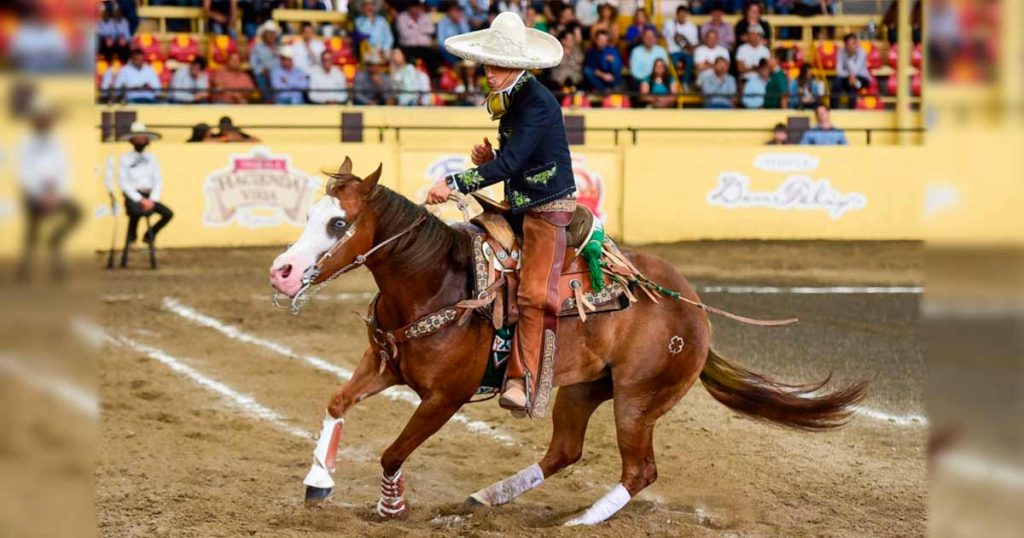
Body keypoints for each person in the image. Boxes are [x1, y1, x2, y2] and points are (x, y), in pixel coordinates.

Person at [428, 13, 574, 418]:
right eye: (488, 64)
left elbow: (511, 164)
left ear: (518, 67)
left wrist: (456, 181)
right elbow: (515, 159)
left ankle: (521, 379)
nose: (489, 73)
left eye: (498, 65)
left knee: (533, 294)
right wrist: (491, 160)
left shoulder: (537, 104)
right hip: (523, 201)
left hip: (548, 206)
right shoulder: (515, 99)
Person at [16, 98, 80, 281]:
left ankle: (55, 241)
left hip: (56, 193)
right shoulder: (25, 143)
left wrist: (56, 195)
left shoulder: (57, 143)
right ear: (34, 120)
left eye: (46, 118)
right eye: (40, 118)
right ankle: (25, 266)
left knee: (76, 213)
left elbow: (65, 170)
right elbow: (24, 172)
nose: (44, 121)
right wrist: (40, 194)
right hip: (34, 193)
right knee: (32, 230)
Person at [118, 122, 173, 247]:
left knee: (167, 214)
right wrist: (140, 199)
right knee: (135, 212)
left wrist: (152, 199)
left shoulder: (152, 158)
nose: (140, 140)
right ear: (132, 140)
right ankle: (132, 238)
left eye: (143, 137)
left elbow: (158, 180)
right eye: (137, 137)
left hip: (150, 196)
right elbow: (124, 182)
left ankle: (149, 235)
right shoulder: (125, 159)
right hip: (133, 196)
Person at [396, 0, 441, 75]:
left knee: (433, 56)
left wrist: (414, 27)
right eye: (414, 7)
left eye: (418, 7)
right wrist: (422, 30)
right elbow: (405, 34)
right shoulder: (402, 17)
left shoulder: (425, 16)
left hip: (424, 47)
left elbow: (431, 30)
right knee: (410, 60)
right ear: (409, 7)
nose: (417, 9)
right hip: (408, 47)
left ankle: (433, 78)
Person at [832, 33, 871, 109]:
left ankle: (852, 109)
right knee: (836, 82)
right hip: (846, 78)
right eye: (849, 44)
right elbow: (839, 71)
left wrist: (850, 57)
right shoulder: (841, 51)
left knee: (855, 83)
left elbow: (856, 70)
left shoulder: (862, 52)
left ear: (857, 43)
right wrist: (849, 75)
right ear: (845, 45)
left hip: (862, 80)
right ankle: (833, 108)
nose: (852, 46)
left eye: (854, 43)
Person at [662, 3, 698, 86]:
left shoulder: (692, 27)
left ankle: (685, 83)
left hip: (686, 52)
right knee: (672, 62)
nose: (682, 15)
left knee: (690, 60)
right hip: (672, 51)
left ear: (687, 15)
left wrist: (691, 50)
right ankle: (673, 83)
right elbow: (663, 37)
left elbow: (693, 44)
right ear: (677, 14)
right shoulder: (668, 24)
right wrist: (666, 49)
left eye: (684, 13)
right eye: (680, 13)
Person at [250, 20, 281, 102]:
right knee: (262, 81)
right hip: (263, 75)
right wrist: (262, 70)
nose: (271, 36)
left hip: (278, 75)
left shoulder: (280, 48)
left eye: (273, 33)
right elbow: (253, 64)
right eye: (269, 33)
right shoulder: (257, 48)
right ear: (264, 35)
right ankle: (268, 102)